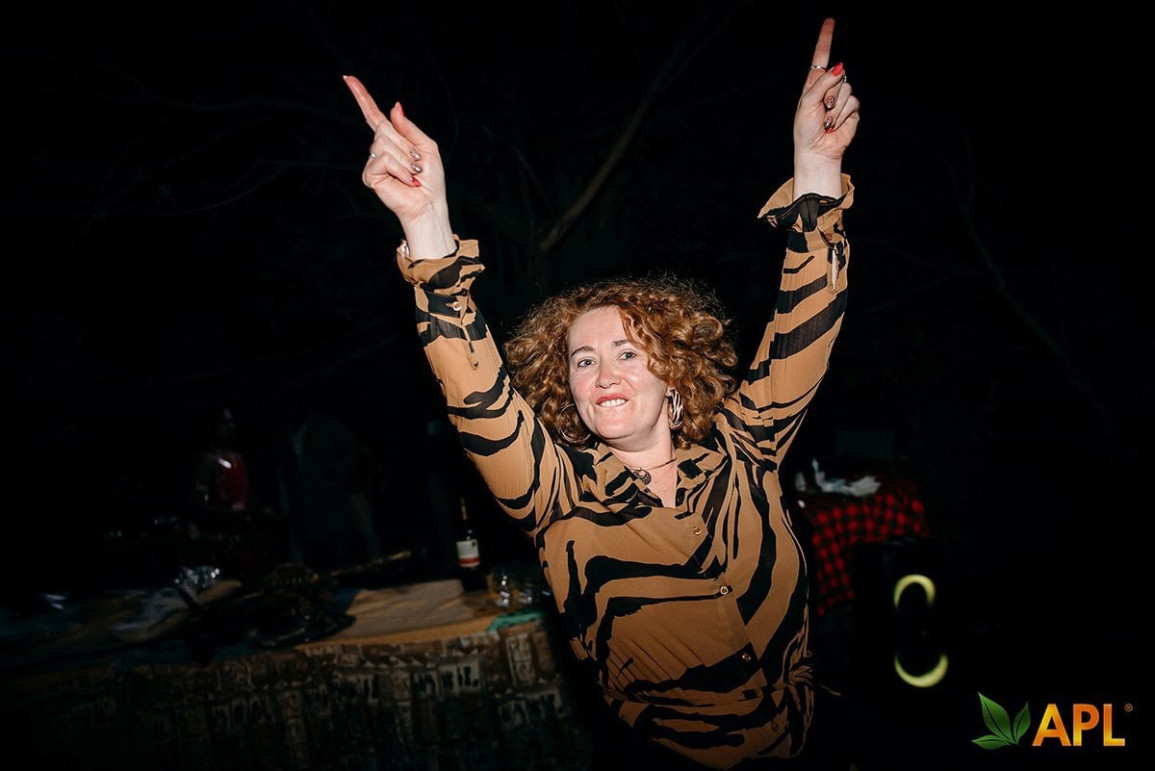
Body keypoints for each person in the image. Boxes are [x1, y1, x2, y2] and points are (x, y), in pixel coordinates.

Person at [343, 16, 858, 769]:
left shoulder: (745, 450)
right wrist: (427, 225)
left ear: (672, 371)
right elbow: (477, 392)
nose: (603, 371)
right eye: (582, 361)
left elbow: (805, 328)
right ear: (570, 391)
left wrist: (815, 167)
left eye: (626, 351)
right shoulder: (555, 496)